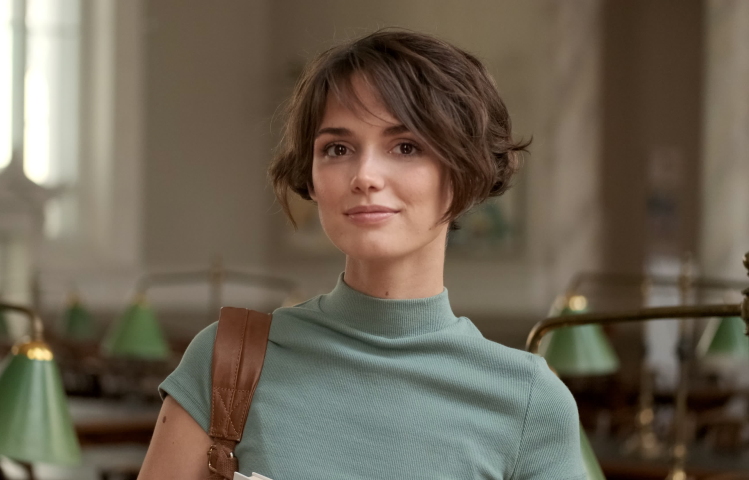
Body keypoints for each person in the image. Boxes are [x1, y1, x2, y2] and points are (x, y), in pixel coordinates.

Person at [138, 29, 586, 480]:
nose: (365, 176)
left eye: (406, 146)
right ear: (312, 179)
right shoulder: (226, 362)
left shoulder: (529, 404)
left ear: (465, 171)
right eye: (338, 149)